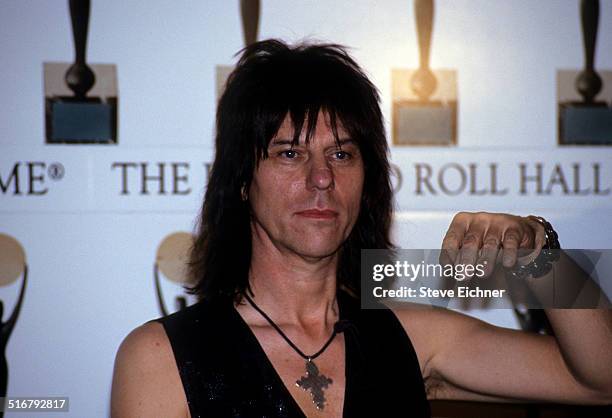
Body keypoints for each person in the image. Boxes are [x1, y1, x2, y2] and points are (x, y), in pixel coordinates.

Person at [110, 40, 612, 418]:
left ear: (367, 179)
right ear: (242, 180)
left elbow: (599, 381)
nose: (322, 177)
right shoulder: (162, 357)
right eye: (290, 153)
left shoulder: (413, 338)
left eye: (342, 153)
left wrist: (543, 255)